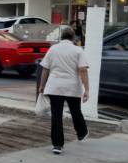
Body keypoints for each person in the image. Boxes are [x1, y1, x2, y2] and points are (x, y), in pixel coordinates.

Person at [38, 27, 90, 155]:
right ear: (73, 38)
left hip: (55, 86)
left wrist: (42, 85)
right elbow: (83, 70)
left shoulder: (53, 49)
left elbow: (45, 69)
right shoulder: (78, 50)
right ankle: (82, 133)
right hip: (72, 87)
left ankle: (57, 145)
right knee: (75, 111)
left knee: (56, 115)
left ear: (61, 37)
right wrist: (87, 89)